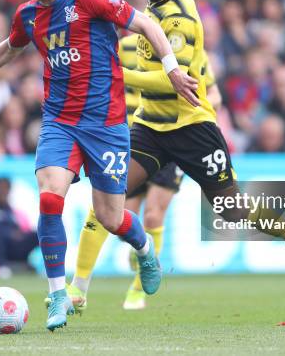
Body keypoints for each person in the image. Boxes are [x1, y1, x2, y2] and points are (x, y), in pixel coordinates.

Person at [0, 0, 198, 331]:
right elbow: (9, 47)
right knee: (49, 198)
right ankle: (58, 293)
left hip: (106, 126)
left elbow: (145, 24)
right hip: (59, 123)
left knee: (112, 218)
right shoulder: (28, 14)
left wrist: (172, 69)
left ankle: (145, 250)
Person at [65, 0, 285, 313]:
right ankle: (78, 289)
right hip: (150, 126)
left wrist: (117, 75)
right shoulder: (153, 13)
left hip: (192, 128)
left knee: (231, 208)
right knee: (107, 197)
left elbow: (172, 82)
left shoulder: (180, 19)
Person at [70, 33, 222, 311]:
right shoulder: (121, 48)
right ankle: (141, 250)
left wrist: (201, 110)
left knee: (153, 214)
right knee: (115, 217)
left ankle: (138, 289)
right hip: (134, 139)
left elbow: (214, 93)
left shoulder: (187, 49)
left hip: (175, 135)